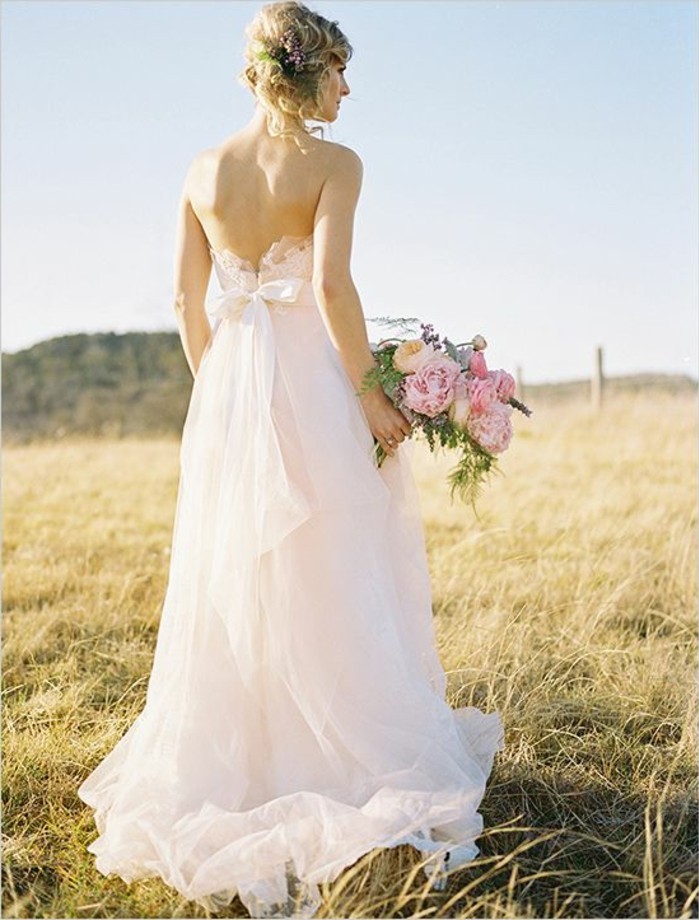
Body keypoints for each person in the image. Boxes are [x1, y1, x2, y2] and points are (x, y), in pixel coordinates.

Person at [77, 2, 505, 917]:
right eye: (339, 70)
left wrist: (222, 396)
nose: (349, 89)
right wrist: (370, 395)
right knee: (334, 553)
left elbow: (186, 302)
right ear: (303, 75)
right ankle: (336, 757)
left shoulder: (202, 169)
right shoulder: (335, 165)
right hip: (312, 379)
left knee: (243, 566)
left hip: (231, 384)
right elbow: (332, 286)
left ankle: (249, 754)